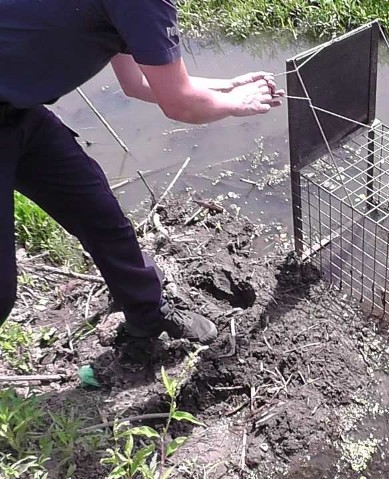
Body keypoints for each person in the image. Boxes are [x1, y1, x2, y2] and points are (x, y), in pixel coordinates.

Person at [0, 0, 284, 353]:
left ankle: (147, 315)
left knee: (97, 212)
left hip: (18, 113)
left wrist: (226, 88)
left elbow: (137, 82)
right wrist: (238, 104)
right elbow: (179, 103)